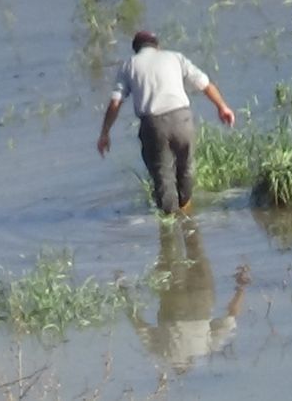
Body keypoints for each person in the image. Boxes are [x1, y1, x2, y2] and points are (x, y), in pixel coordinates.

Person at [97, 31, 235, 214]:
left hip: (153, 125)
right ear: (157, 46)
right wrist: (222, 107)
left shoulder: (129, 65)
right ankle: (185, 211)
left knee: (162, 175)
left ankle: (171, 221)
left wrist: (105, 132)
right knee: (186, 167)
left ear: (136, 49)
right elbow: (205, 84)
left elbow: (116, 102)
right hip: (182, 120)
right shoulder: (175, 57)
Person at [127, 218, 249, 374]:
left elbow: (231, 316)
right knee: (169, 251)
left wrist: (241, 287)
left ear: (189, 363)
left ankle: (185, 214)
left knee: (195, 247)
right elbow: (139, 325)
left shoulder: (204, 350)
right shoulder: (163, 354)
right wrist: (125, 292)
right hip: (173, 305)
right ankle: (168, 215)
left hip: (202, 300)